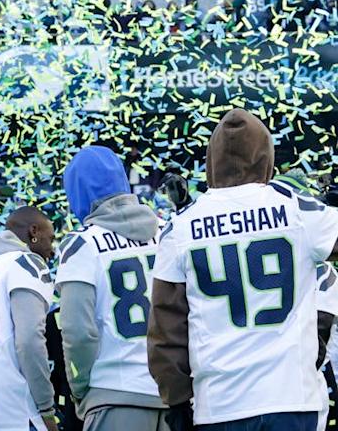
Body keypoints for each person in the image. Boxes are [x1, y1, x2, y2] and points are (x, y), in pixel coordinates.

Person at [149, 109, 338, 431]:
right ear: (266, 156)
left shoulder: (180, 226)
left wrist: (176, 399)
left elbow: (166, 326)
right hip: (292, 396)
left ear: (211, 160)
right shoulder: (298, 209)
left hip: (219, 402)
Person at [56, 145, 166, 430]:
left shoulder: (81, 244)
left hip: (116, 396)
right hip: (173, 395)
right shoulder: (167, 231)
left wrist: (81, 389)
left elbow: (77, 332)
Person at [0, 206, 58, 431]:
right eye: (50, 238)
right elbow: (30, 340)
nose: (51, 250)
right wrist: (46, 408)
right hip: (15, 406)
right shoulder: (27, 262)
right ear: (34, 231)